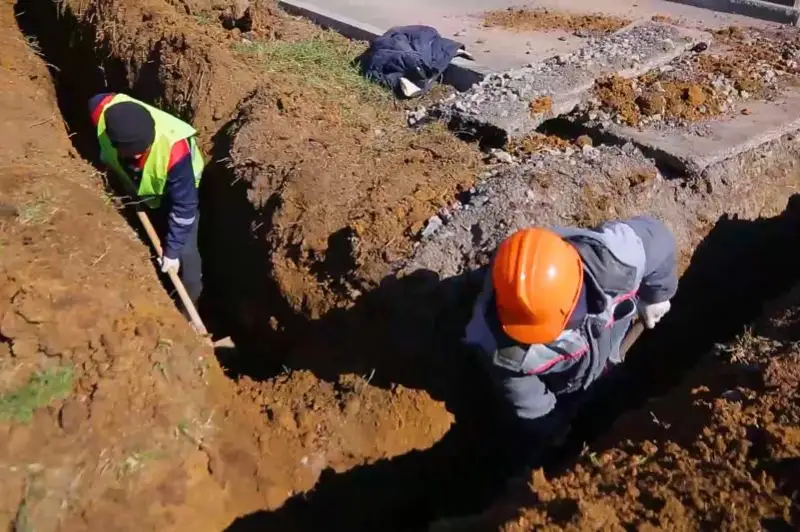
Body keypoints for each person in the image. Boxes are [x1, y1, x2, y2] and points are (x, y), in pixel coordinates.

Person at [463, 216, 678, 458]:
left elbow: (658, 239)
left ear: (575, 295)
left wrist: (658, 295)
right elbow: (531, 405)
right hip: (568, 389)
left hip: (611, 348)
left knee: (617, 386)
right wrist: (556, 432)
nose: (536, 340)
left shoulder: (614, 261)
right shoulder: (502, 352)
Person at [88, 93, 204, 312]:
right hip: (142, 188)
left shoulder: (175, 152)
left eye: (144, 149)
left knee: (186, 260)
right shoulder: (100, 111)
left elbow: (184, 206)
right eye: (135, 152)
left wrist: (171, 252)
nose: (143, 152)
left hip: (179, 193)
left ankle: (187, 312)